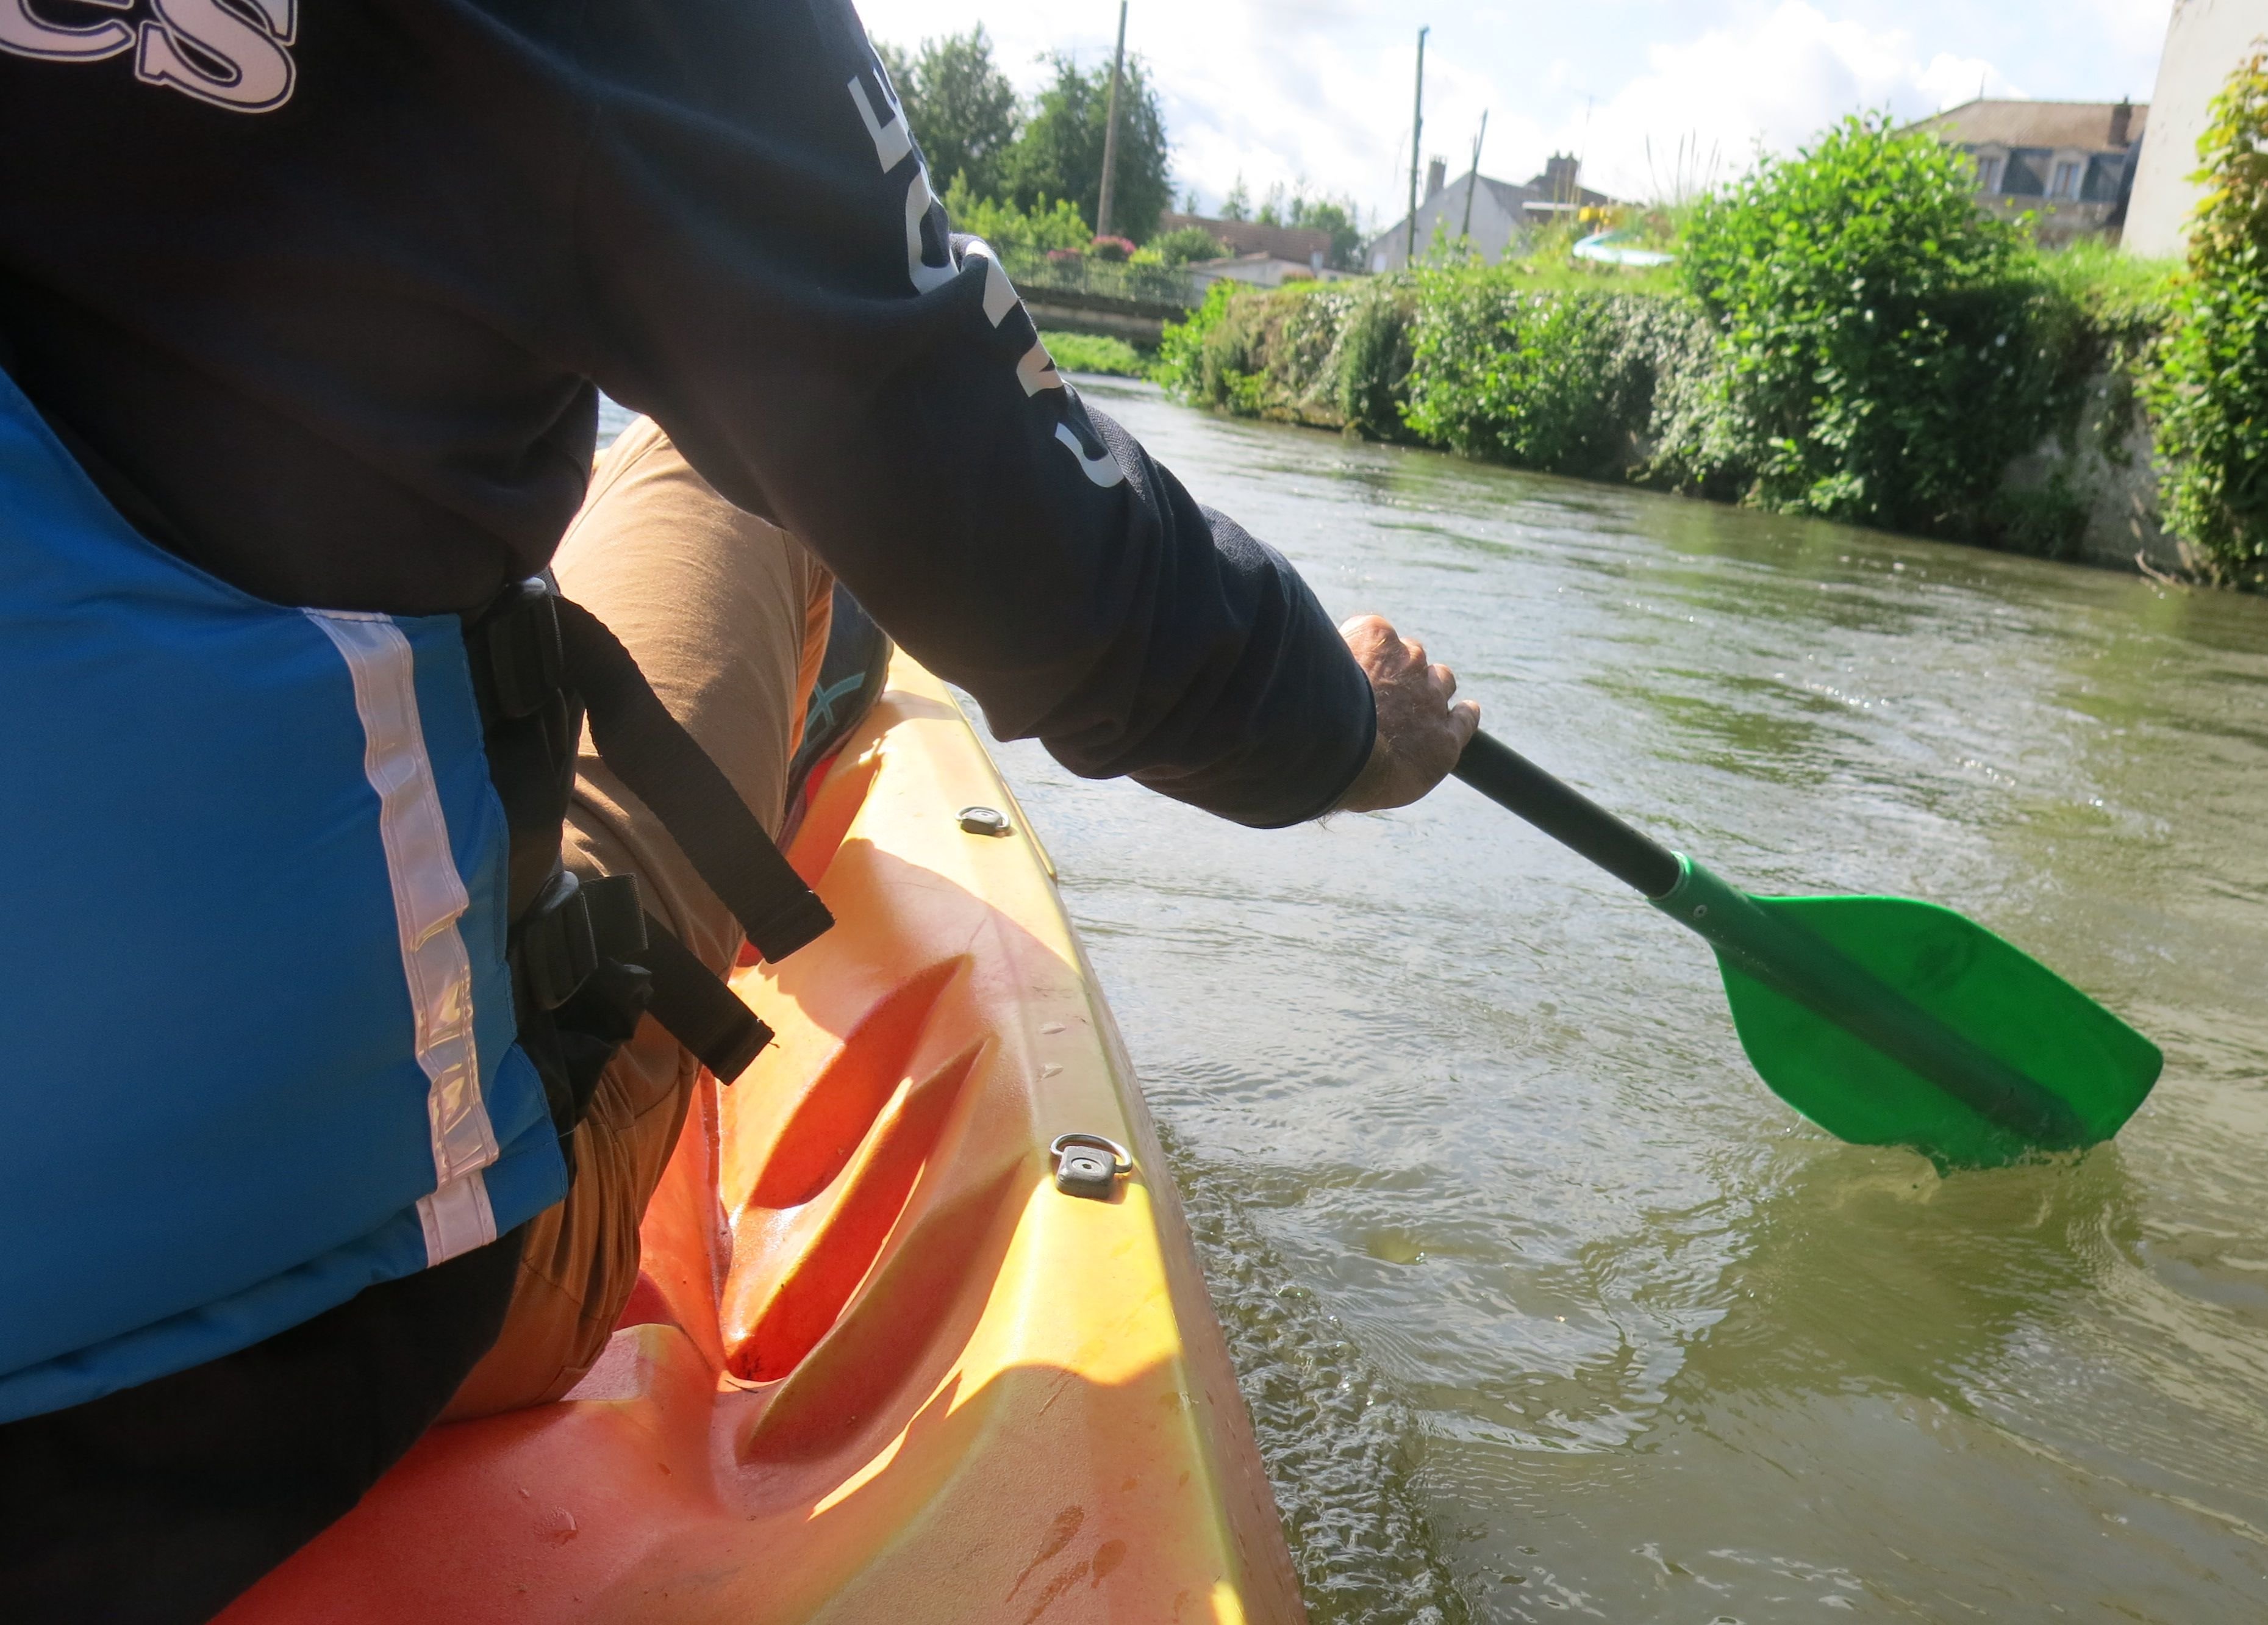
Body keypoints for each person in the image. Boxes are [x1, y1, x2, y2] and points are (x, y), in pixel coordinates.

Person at [0, 2, 1476, 1618]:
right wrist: (1340, 728)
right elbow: (1034, 540)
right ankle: (817, 682)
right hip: (269, 1340)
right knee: (751, 470)